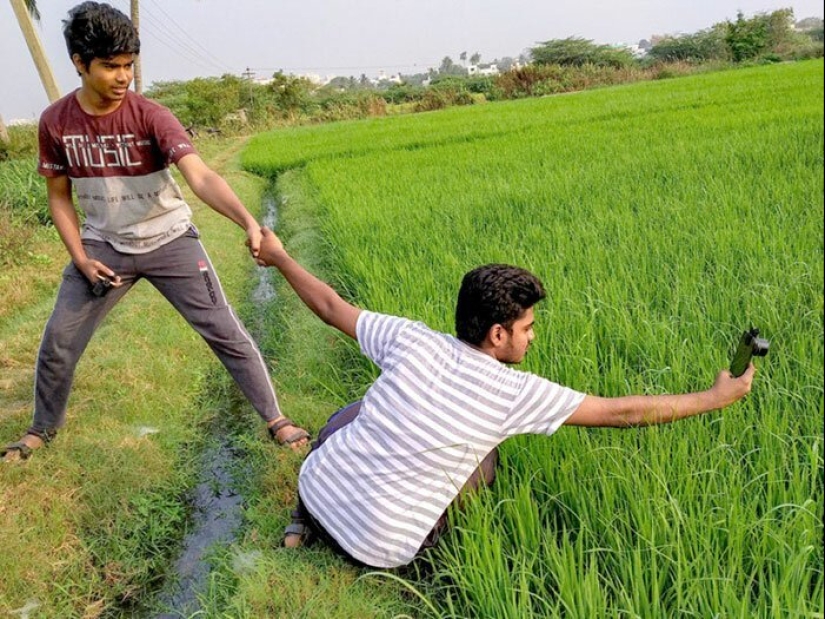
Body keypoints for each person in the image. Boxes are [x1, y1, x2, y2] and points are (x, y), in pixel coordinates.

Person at [252, 227, 755, 569]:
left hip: (316, 491)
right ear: (497, 334)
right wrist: (714, 397)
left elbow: (328, 305)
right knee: (484, 459)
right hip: (376, 548)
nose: (532, 337)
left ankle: (303, 523)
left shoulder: (409, 338)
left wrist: (277, 256)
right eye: (527, 327)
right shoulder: (512, 393)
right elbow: (619, 412)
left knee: (354, 415)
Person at [1, 2, 308, 462]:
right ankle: (41, 429)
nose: (123, 76)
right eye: (110, 66)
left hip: (170, 239)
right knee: (59, 340)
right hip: (104, 247)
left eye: (129, 65)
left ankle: (275, 418)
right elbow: (59, 197)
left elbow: (201, 177)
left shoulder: (150, 115)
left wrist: (247, 221)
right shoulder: (56, 122)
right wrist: (81, 258)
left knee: (224, 330)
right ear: (79, 64)